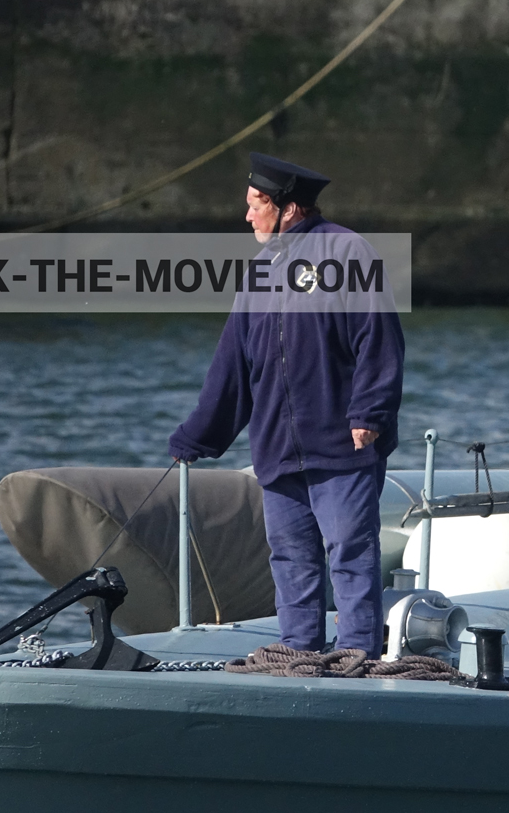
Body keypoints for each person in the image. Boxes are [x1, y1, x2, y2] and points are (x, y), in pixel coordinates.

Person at [169, 152, 405, 655]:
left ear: (288, 208)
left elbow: (378, 340)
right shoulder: (258, 270)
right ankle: (298, 651)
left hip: (342, 444)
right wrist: (197, 436)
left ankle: (357, 652)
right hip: (277, 447)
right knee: (290, 556)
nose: (248, 216)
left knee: (350, 551)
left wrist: (369, 413)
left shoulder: (347, 251)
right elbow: (232, 365)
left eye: (256, 204)